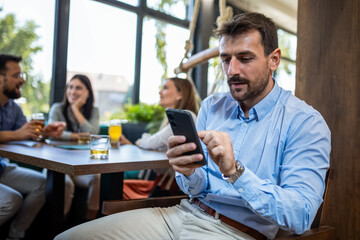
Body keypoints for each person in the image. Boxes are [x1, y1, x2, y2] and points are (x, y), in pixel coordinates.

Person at [55, 12, 331, 240]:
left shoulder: (305, 123)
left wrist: (235, 172)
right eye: (225, 59)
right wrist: (186, 171)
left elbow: (300, 216)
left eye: (245, 58)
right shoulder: (213, 106)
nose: (232, 70)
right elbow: (198, 187)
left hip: (237, 233)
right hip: (181, 213)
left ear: (274, 59)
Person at [0, 54, 65, 240]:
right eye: (16, 75)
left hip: (2, 168)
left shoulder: (14, 108)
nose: (22, 80)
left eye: (22, 75)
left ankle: (15, 235)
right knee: (12, 199)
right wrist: (16, 134)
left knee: (43, 184)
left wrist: (44, 133)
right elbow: (17, 134)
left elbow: (25, 133)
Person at [120, 77, 199, 199]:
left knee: (116, 190)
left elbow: (151, 142)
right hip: (164, 181)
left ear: (180, 94)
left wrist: (140, 141)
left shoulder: (185, 117)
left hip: (173, 187)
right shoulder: (171, 118)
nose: (160, 92)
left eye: (166, 88)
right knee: (116, 187)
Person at [48, 74, 100, 220]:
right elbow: (53, 133)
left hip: (79, 165)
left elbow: (93, 133)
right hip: (56, 164)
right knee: (66, 184)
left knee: (96, 177)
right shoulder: (57, 108)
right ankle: (60, 227)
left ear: (87, 92)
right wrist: (80, 137)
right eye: (70, 87)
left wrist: (76, 109)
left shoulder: (93, 111)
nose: (72, 91)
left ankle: (90, 223)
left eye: (78, 88)